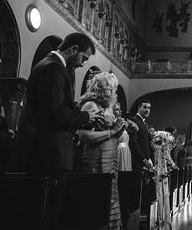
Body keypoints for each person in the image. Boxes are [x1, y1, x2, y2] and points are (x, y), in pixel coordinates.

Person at [18, 33, 103, 174]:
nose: (83, 64)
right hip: (50, 152)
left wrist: (87, 117)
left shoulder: (49, 64)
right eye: (84, 58)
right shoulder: (54, 68)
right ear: (74, 49)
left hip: (48, 151)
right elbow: (56, 112)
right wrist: (86, 117)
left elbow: (58, 106)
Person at [75, 72, 126, 230]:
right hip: (94, 159)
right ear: (103, 88)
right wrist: (112, 132)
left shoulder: (108, 107)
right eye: (112, 89)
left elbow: (115, 134)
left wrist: (120, 128)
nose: (114, 93)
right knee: (97, 199)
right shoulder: (91, 105)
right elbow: (82, 136)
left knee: (111, 198)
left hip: (110, 159)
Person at [129, 99, 153, 172]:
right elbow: (133, 142)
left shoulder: (145, 122)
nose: (147, 110)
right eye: (145, 107)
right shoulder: (134, 120)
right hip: (138, 161)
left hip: (145, 162)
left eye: (149, 108)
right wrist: (144, 159)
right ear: (139, 108)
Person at [113, 102, 137, 171]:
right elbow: (114, 138)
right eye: (117, 109)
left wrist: (131, 124)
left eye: (120, 109)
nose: (120, 111)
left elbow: (137, 129)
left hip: (126, 152)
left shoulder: (122, 121)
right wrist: (123, 128)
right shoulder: (112, 123)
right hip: (118, 152)